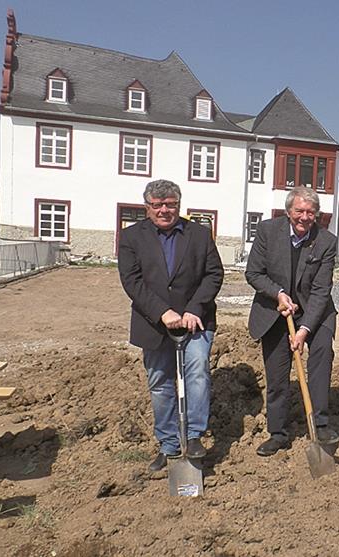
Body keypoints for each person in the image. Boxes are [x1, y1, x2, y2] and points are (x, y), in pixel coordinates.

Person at [118, 179, 223, 473]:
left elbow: (214, 274)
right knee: (161, 384)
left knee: (198, 371)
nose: (165, 210)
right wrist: (162, 312)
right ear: (147, 207)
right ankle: (168, 445)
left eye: (171, 204)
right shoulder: (131, 237)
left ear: (178, 204)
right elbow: (132, 281)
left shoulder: (199, 234)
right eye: (158, 205)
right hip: (153, 324)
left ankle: (193, 437)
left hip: (196, 322)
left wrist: (193, 309)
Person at [246, 186, 339, 457]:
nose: (304, 217)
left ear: (317, 215)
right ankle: (278, 432)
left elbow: (322, 290)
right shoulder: (267, 231)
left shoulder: (326, 241)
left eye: (311, 212)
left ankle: (319, 423)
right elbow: (254, 273)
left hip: (315, 311)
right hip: (275, 309)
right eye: (299, 211)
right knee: (277, 372)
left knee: (321, 355)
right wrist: (278, 293)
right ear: (289, 212)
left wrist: (304, 330)